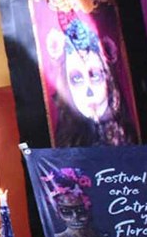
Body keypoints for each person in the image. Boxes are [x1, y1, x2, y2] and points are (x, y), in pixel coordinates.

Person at [47, 15, 138, 147]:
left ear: (109, 80)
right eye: (77, 79)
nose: (88, 91)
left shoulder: (130, 135)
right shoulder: (64, 146)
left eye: (95, 76)